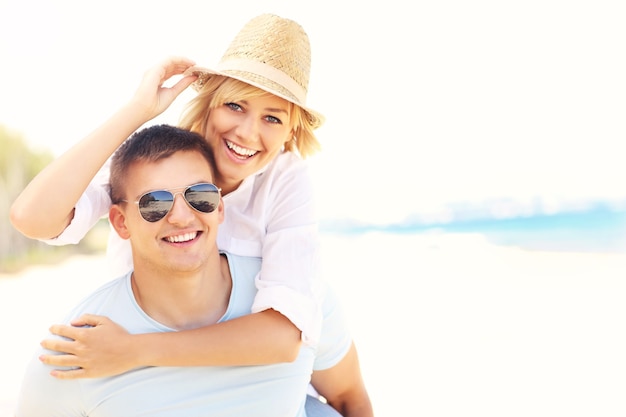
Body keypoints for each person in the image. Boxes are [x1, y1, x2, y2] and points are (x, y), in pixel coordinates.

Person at [11, 14, 329, 373]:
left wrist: (135, 351)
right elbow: (32, 217)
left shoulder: (285, 178)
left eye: (272, 118)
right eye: (235, 105)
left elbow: (283, 338)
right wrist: (137, 112)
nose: (247, 132)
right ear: (210, 103)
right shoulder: (155, 160)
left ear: (290, 132)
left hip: (220, 366)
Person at [15, 124, 371, 417]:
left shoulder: (296, 303)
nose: (182, 216)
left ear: (219, 207)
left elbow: (349, 399)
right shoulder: (79, 350)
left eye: (199, 195)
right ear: (121, 223)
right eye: (155, 203)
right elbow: (31, 215)